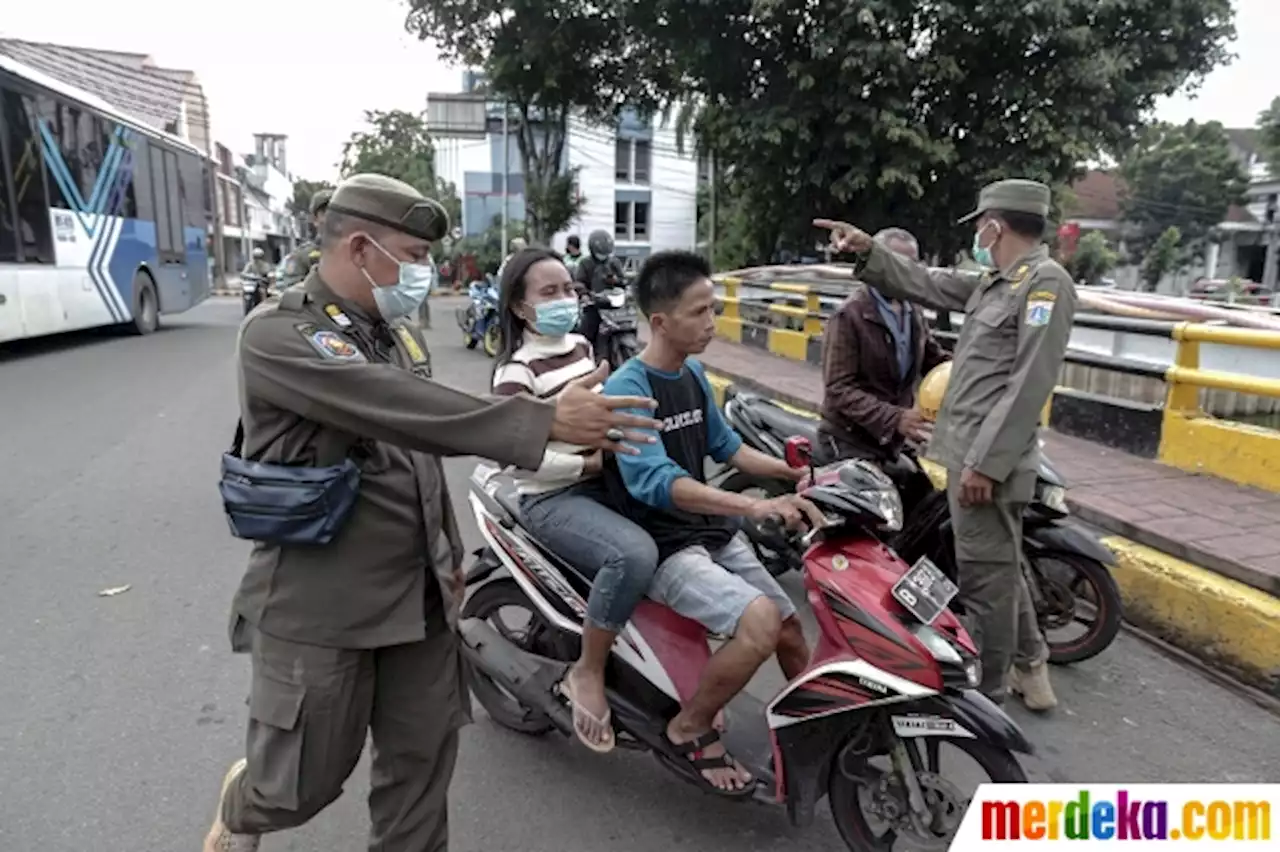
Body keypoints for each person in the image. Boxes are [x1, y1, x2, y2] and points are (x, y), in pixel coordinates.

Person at [203, 173, 663, 852]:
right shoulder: (280, 336)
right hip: (321, 607)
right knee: (298, 787)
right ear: (361, 249)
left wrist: (448, 557)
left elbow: (414, 460)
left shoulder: (392, 334)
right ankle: (246, 807)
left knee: (420, 773)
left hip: (417, 598)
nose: (425, 272)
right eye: (414, 257)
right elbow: (404, 408)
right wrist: (543, 419)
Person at [815, 178, 1076, 712]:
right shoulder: (995, 283)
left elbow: (1029, 384)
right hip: (964, 455)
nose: (978, 234)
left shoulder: (1043, 285)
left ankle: (993, 691)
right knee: (998, 568)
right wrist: (870, 251)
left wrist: (986, 463)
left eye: (981, 225)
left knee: (984, 580)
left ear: (995, 225)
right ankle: (1032, 664)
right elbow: (926, 281)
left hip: (986, 462)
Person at [603, 250, 825, 795]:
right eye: (700, 312)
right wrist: (752, 507)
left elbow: (725, 448)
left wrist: (798, 474)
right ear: (661, 322)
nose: (712, 322)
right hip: (663, 543)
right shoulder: (628, 389)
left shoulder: (694, 373)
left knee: (790, 625)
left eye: (713, 308)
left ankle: (819, 730)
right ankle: (690, 726)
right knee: (758, 625)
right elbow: (655, 480)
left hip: (708, 531)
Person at [489, 247, 660, 753]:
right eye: (549, 292)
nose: (564, 299)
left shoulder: (585, 348)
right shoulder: (515, 373)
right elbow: (514, 457)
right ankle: (586, 672)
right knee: (634, 554)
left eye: (568, 289)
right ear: (521, 308)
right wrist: (584, 464)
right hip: (551, 495)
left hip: (602, 482)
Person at [816, 226, 950, 511]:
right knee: (868, 527)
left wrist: (972, 373)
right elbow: (838, 389)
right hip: (850, 439)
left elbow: (934, 360)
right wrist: (896, 418)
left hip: (893, 441)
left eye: (910, 265)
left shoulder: (912, 311)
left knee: (924, 505)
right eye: (895, 262)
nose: (903, 272)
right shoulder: (848, 316)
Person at [278, 189, 332, 287]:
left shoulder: (356, 251)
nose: (332, 217)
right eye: (325, 212)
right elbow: (293, 292)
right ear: (315, 219)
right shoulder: (301, 256)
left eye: (335, 211)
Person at [574, 229, 626, 294]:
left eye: (606, 254)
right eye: (600, 254)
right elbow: (579, 282)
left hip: (612, 296)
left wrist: (616, 281)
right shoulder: (585, 263)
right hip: (592, 297)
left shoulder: (615, 262)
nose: (603, 256)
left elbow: (623, 280)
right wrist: (585, 293)